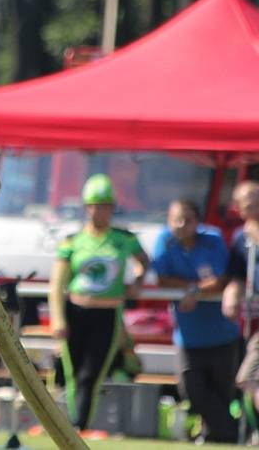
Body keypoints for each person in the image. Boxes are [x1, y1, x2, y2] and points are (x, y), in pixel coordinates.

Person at [48, 174, 149, 432]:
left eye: (106, 205)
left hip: (107, 314)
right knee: (70, 372)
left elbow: (143, 260)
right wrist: (58, 318)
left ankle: (79, 425)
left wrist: (137, 281)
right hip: (76, 311)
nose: (101, 211)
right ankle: (68, 424)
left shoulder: (124, 238)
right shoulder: (73, 241)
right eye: (95, 205)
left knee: (91, 374)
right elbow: (57, 284)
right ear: (86, 207)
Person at [153, 198, 240, 443]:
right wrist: (194, 287)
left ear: (198, 222)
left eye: (187, 220)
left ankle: (218, 437)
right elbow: (161, 278)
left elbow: (221, 279)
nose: (181, 225)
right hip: (188, 337)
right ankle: (231, 434)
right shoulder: (165, 240)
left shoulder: (212, 239)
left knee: (223, 392)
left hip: (222, 334)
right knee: (192, 390)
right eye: (175, 220)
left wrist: (195, 292)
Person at [222, 181, 259, 425]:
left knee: (250, 376)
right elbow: (235, 276)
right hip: (253, 319)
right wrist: (231, 295)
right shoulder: (240, 239)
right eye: (248, 202)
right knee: (249, 378)